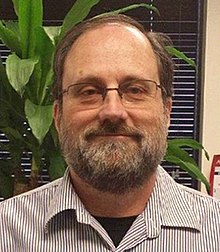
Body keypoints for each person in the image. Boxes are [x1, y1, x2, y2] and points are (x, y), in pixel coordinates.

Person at [0, 14, 219, 252]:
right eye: (89, 91)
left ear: (166, 112)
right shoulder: (7, 232)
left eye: (135, 89)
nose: (113, 111)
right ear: (57, 115)